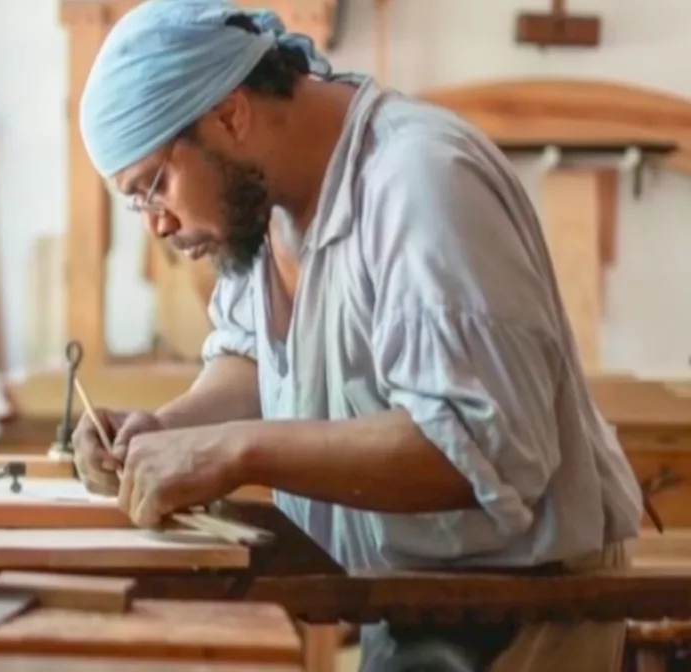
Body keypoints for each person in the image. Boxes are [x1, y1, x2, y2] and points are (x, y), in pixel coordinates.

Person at [70, 1, 645, 670]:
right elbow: (257, 362)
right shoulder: (259, 207)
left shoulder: (421, 185)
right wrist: (165, 432)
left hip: (527, 614)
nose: (159, 226)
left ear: (229, 114)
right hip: (409, 597)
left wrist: (233, 452)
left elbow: (479, 447)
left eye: (154, 188)